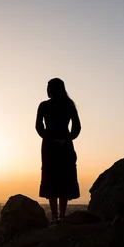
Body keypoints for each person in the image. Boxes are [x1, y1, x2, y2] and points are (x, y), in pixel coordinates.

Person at [35, 78, 81, 224]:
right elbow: (76, 127)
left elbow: (38, 127)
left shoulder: (48, 105)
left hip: (53, 145)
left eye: (48, 87)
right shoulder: (67, 104)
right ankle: (59, 216)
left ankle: (57, 216)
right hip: (60, 144)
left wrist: (51, 138)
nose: (47, 89)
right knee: (59, 177)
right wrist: (66, 139)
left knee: (55, 177)